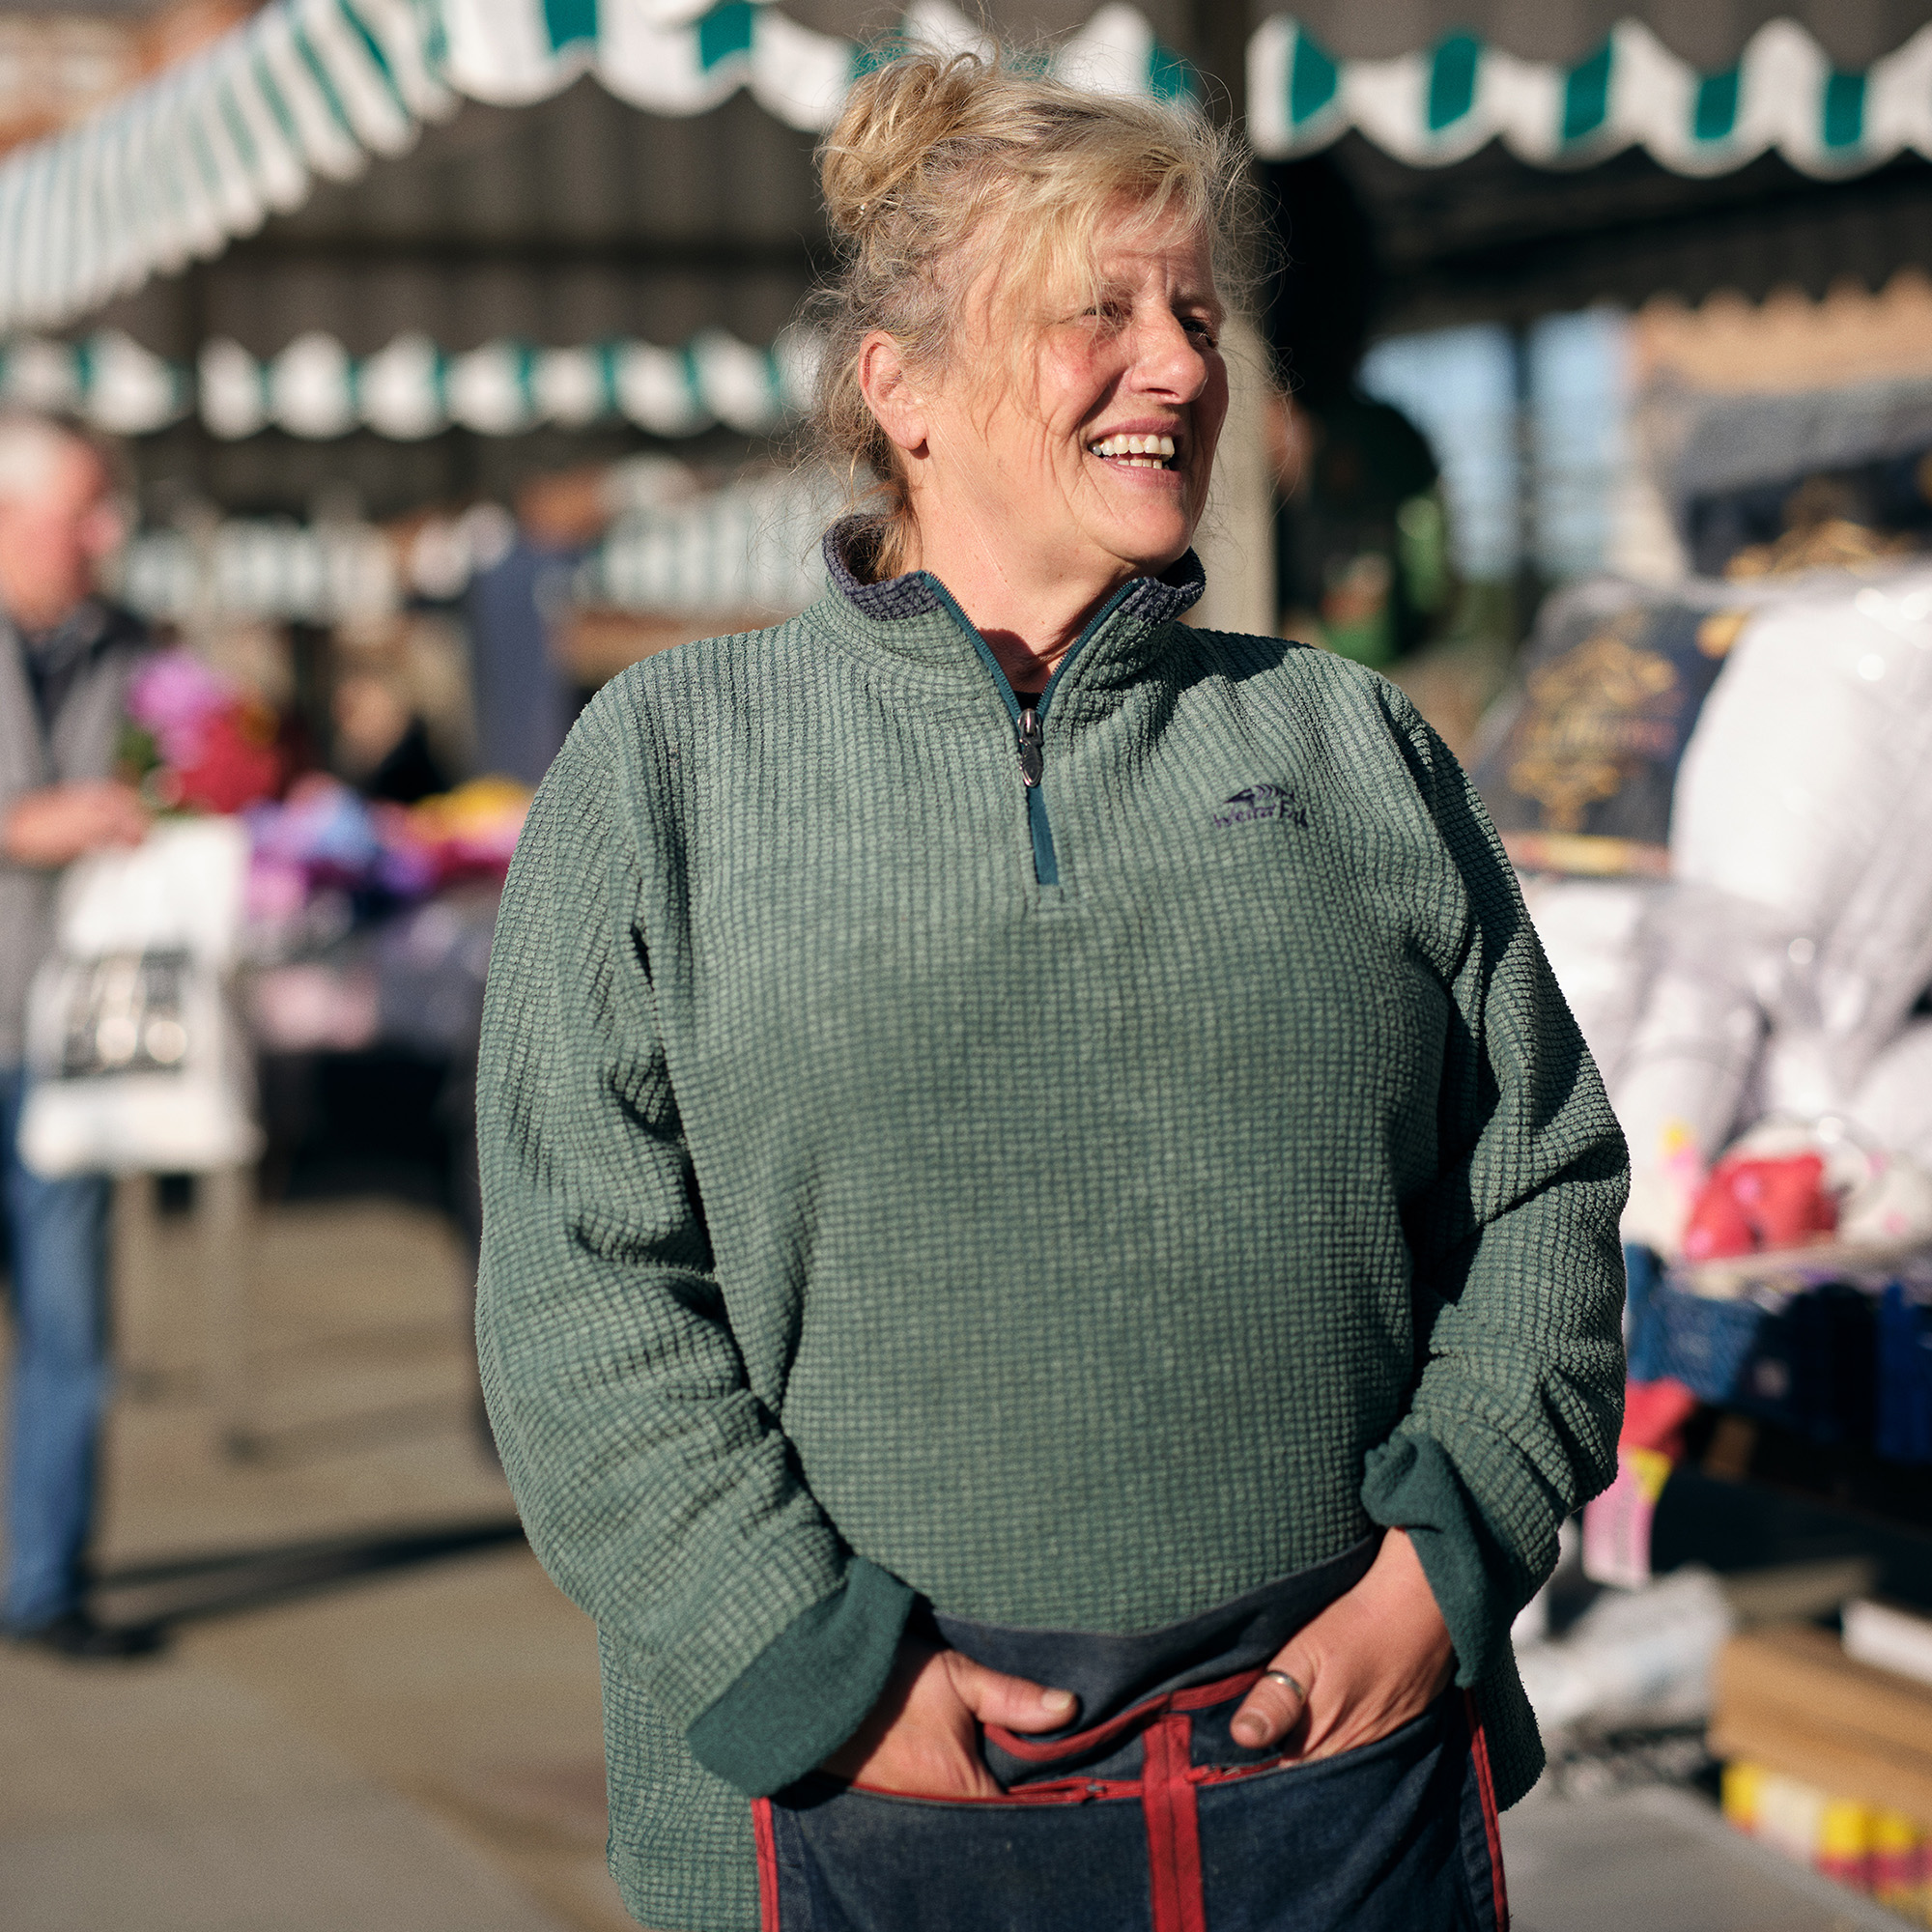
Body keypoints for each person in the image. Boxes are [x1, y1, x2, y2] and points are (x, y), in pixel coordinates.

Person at [476, 49, 1628, 1932]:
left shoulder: (1346, 742)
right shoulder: (671, 768)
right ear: (899, 386)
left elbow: (1544, 1187)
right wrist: (818, 1673)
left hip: (1331, 1798)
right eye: (1099, 311)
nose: (1177, 364)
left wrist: (1441, 1568)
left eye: (1193, 311)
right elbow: (579, 1295)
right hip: (858, 1803)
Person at [0, 415, 156, 1659]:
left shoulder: (131, 644)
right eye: (84, 511)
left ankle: (43, 1584)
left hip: (73, 1042)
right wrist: (24, 824)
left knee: (72, 1331)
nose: (109, 533)